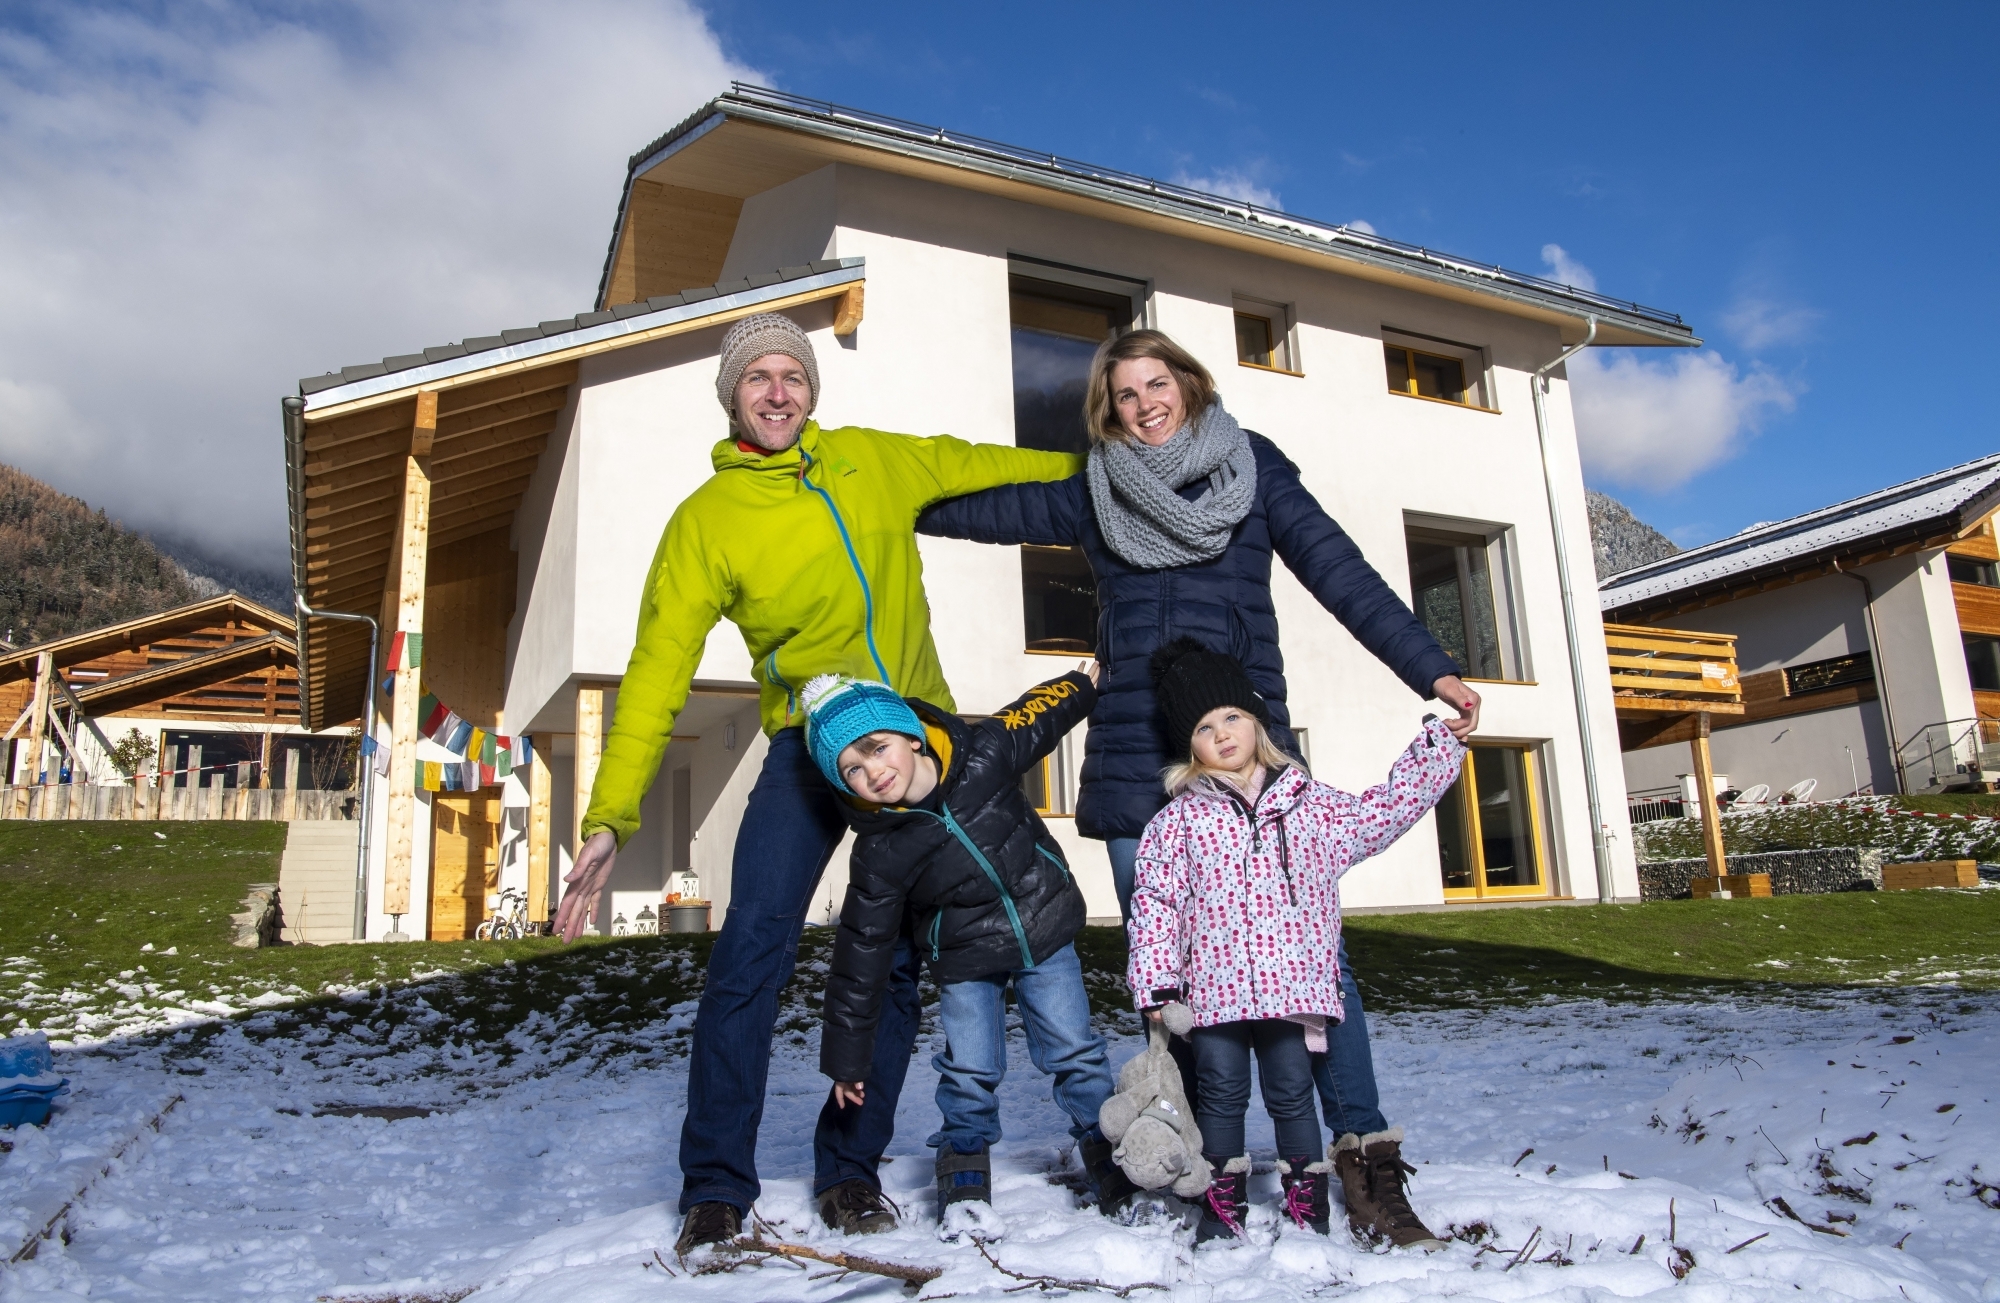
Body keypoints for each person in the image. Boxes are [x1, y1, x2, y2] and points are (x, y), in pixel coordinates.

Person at [916, 328, 1476, 1242]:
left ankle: (1365, 1159)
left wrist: (1434, 670)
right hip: (1144, 766)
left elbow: (1343, 574)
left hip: (1250, 760)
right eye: (1123, 394)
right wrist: (877, 502)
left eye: (1155, 382)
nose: (1144, 403)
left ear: (1187, 382)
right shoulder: (1095, 496)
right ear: (1109, 412)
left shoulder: (1255, 473)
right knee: (1171, 986)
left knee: (1319, 973)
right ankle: (1190, 1166)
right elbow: (985, 509)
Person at [553, 312, 1080, 1255]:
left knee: (899, 964)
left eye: (790, 372)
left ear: (811, 389)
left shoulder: (875, 461)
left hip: (919, 746)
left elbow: (997, 464)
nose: (776, 390)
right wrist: (609, 818)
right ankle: (715, 1183)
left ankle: (849, 1171)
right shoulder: (707, 521)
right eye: (754, 376)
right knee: (751, 947)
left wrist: (1119, 472)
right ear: (731, 398)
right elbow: (655, 672)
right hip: (809, 752)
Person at [1126, 640, 1464, 1247]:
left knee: (1291, 1092)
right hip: (1215, 997)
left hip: (1294, 991)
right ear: (1190, 748)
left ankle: (1307, 1197)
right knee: (1222, 1093)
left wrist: (1439, 748)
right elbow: (1155, 904)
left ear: (1256, 721)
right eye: (1205, 728)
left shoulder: (1310, 806)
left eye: (1232, 717)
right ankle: (1221, 1201)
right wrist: (1156, 983)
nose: (1223, 735)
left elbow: (1380, 814)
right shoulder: (1176, 822)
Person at [802, 665, 1134, 1231]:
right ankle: (963, 1168)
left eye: (876, 748)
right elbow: (859, 959)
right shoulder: (880, 851)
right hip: (964, 959)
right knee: (969, 1067)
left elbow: (1036, 716)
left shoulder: (982, 752)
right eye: (851, 769)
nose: (872, 772)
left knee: (1075, 1050)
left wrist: (1080, 685)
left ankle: (1107, 1154)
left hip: (1044, 927)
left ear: (910, 734)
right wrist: (846, 1062)